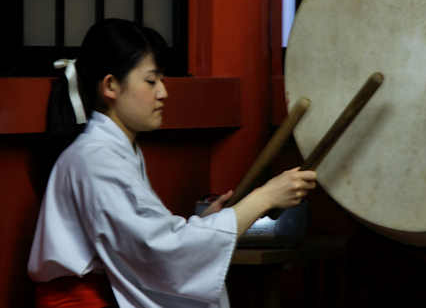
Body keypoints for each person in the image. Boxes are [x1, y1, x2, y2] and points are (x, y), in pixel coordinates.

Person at [28, 18, 317, 308]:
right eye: (151, 81)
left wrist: (206, 224)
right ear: (111, 85)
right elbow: (158, 248)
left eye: (162, 81)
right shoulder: (95, 159)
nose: (163, 93)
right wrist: (265, 197)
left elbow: (149, 239)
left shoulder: (111, 150)